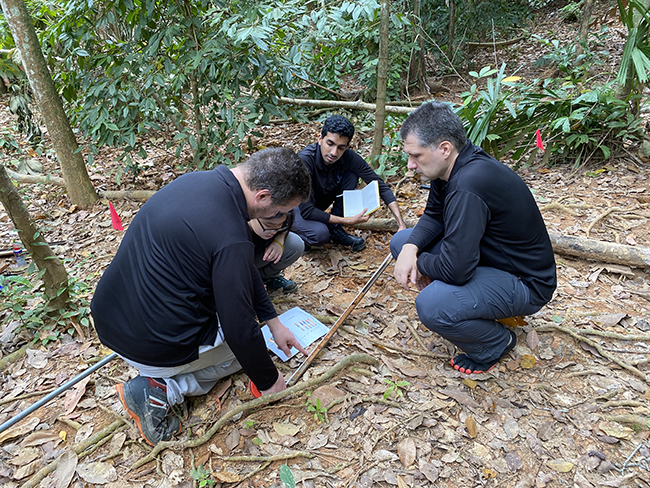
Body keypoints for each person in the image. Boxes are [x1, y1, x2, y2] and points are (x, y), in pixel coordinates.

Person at [90, 147, 311, 445]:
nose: (281, 219)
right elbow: (239, 329)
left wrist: (274, 320)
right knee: (247, 352)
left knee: (257, 335)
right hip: (151, 345)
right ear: (261, 196)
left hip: (112, 317)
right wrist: (270, 382)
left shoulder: (195, 181)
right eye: (281, 212)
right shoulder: (230, 234)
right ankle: (161, 389)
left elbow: (243, 270)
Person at [391, 102, 556, 375]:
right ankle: (464, 306)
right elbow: (434, 215)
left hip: (524, 282)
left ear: (444, 148)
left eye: (416, 156)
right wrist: (411, 249)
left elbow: (456, 270)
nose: (410, 165)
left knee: (431, 304)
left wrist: (420, 264)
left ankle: (494, 343)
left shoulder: (468, 184)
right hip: (489, 259)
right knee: (402, 242)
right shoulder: (450, 169)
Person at [294, 115, 406, 252]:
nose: (334, 153)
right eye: (330, 144)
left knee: (352, 174)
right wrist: (347, 221)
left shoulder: (348, 157)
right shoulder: (304, 160)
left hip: (318, 205)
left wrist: (401, 224)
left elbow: (379, 186)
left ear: (347, 146)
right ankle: (294, 234)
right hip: (296, 210)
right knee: (320, 235)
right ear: (320, 139)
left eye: (341, 148)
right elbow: (307, 211)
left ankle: (335, 229)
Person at [249, 210, 304, 294]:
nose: (273, 231)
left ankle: (266, 278)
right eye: (268, 225)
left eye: (279, 225)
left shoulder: (281, 212)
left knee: (294, 243)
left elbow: (284, 230)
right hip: (235, 268)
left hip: (256, 258)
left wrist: (278, 241)